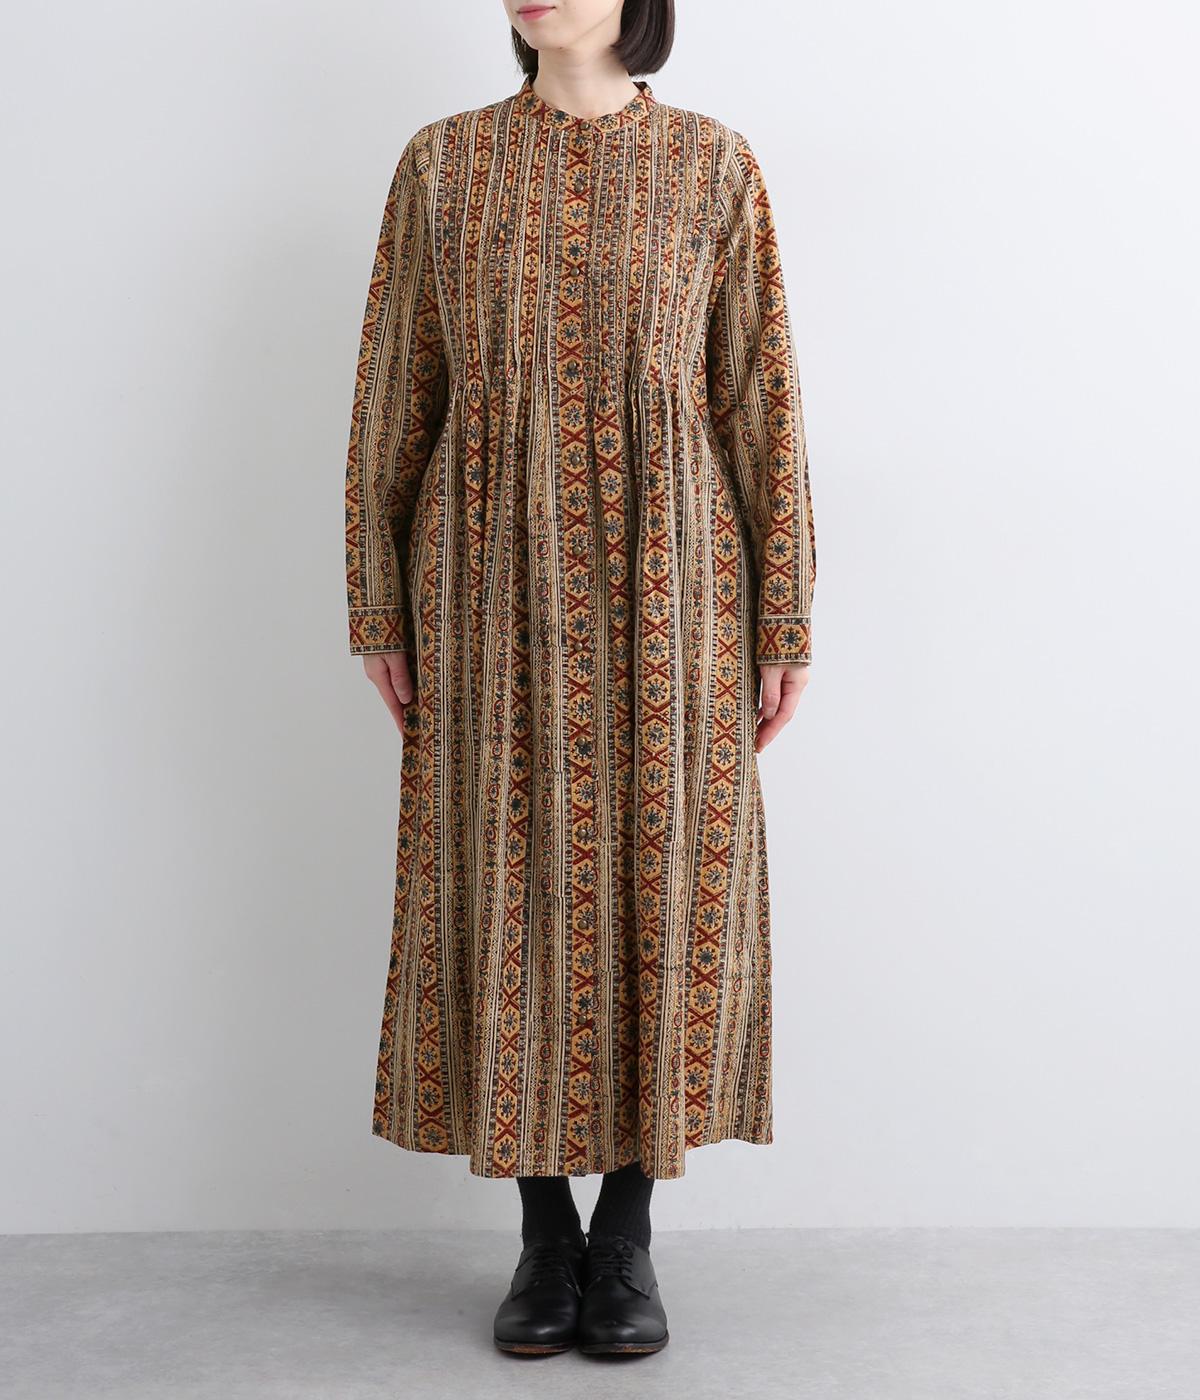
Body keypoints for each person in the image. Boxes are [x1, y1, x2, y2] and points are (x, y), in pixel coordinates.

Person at [343, 0, 816, 1359]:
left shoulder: (714, 164)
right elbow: (392, 392)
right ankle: (543, 1233)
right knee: (506, 884)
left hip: (675, 587)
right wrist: (376, 600)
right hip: (485, 587)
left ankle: (629, 1234)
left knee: (661, 886)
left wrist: (783, 615)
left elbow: (761, 398)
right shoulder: (440, 163)